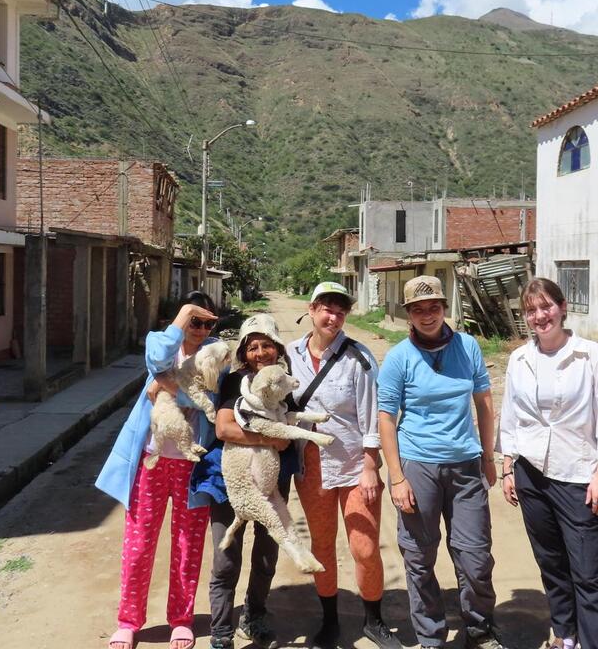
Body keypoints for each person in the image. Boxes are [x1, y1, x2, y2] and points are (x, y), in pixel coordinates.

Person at [377, 275, 506, 649]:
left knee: (475, 556)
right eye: (418, 309)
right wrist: (397, 477)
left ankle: (479, 629)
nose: (427, 315)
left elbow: (484, 402)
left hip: (466, 466)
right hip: (418, 466)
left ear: (444, 308)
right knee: (419, 557)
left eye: (434, 307)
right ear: (408, 314)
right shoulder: (399, 357)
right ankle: (430, 636)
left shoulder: (468, 347)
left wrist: (488, 456)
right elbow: (386, 418)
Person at [499, 278, 598, 649]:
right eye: (531, 310)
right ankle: (565, 634)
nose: (540, 316)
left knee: (587, 572)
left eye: (546, 307)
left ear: (562, 307)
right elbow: (511, 416)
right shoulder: (519, 359)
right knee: (551, 563)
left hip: (577, 475)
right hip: (530, 473)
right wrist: (508, 466)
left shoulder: (590, 355)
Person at [96, 291, 221, 649]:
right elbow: (156, 358)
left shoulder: (216, 356)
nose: (199, 329)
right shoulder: (161, 343)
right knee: (139, 543)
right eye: (194, 320)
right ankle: (128, 621)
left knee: (188, 543)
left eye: (207, 323)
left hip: (192, 465)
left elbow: (208, 400)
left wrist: (167, 384)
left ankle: (181, 619)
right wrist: (183, 315)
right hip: (151, 461)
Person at [286, 282, 399, 649]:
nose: (333, 317)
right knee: (321, 545)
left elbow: (371, 416)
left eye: (340, 311)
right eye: (327, 309)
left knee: (364, 548)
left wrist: (370, 466)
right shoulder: (289, 355)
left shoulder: (359, 358)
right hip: (310, 465)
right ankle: (330, 621)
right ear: (312, 309)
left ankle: (374, 621)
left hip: (353, 465)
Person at [202, 313, 297, 649]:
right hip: (231, 478)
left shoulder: (283, 381)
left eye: (266, 345)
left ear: (277, 348)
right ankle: (220, 630)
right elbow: (224, 428)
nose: (260, 353)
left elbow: (290, 426)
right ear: (243, 352)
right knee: (226, 556)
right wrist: (268, 439)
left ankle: (254, 615)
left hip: (273, 477)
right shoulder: (234, 382)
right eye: (252, 347)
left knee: (267, 553)